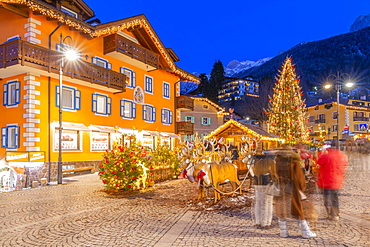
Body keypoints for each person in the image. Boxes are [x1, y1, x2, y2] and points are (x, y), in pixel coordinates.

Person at [273, 145, 316, 239]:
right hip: (292, 189)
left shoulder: (277, 162)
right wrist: (301, 187)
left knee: (282, 210)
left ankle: (283, 232)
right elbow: (300, 179)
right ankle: (305, 232)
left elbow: (273, 175)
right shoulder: (294, 163)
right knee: (298, 210)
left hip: (281, 188)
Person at [316, 146, 348, 221]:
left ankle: (329, 214)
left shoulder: (326, 156)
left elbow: (318, 162)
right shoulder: (343, 156)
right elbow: (345, 165)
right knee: (335, 198)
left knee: (327, 198)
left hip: (326, 181)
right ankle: (335, 215)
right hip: (337, 181)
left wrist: (321, 153)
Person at [253, 156, 275, 229]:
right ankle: (266, 223)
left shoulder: (257, 165)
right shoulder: (270, 163)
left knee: (258, 203)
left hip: (258, 184)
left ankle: (258, 222)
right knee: (267, 204)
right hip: (267, 185)